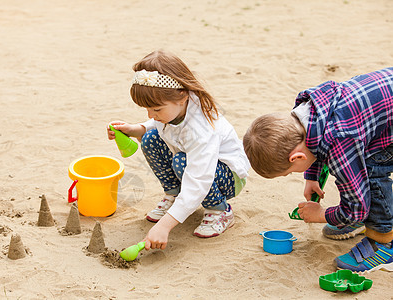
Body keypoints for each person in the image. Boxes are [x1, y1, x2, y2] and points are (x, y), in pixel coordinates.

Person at [243, 67, 393, 272]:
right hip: (382, 107)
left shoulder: (341, 140)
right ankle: (369, 218)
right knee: (359, 172)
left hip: (385, 131)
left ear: (296, 158)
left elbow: (356, 207)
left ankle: (383, 241)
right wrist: (312, 176)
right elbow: (319, 141)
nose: (291, 174)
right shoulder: (309, 109)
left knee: (371, 168)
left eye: (289, 171)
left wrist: (322, 214)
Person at [107, 50, 250, 250]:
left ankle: (220, 210)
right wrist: (136, 129)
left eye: (156, 109)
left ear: (182, 97)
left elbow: (199, 180)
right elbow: (162, 126)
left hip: (227, 177)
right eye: (147, 110)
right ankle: (174, 197)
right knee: (149, 138)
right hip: (194, 165)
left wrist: (164, 226)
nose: (152, 115)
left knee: (181, 162)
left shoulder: (200, 130)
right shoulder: (173, 108)